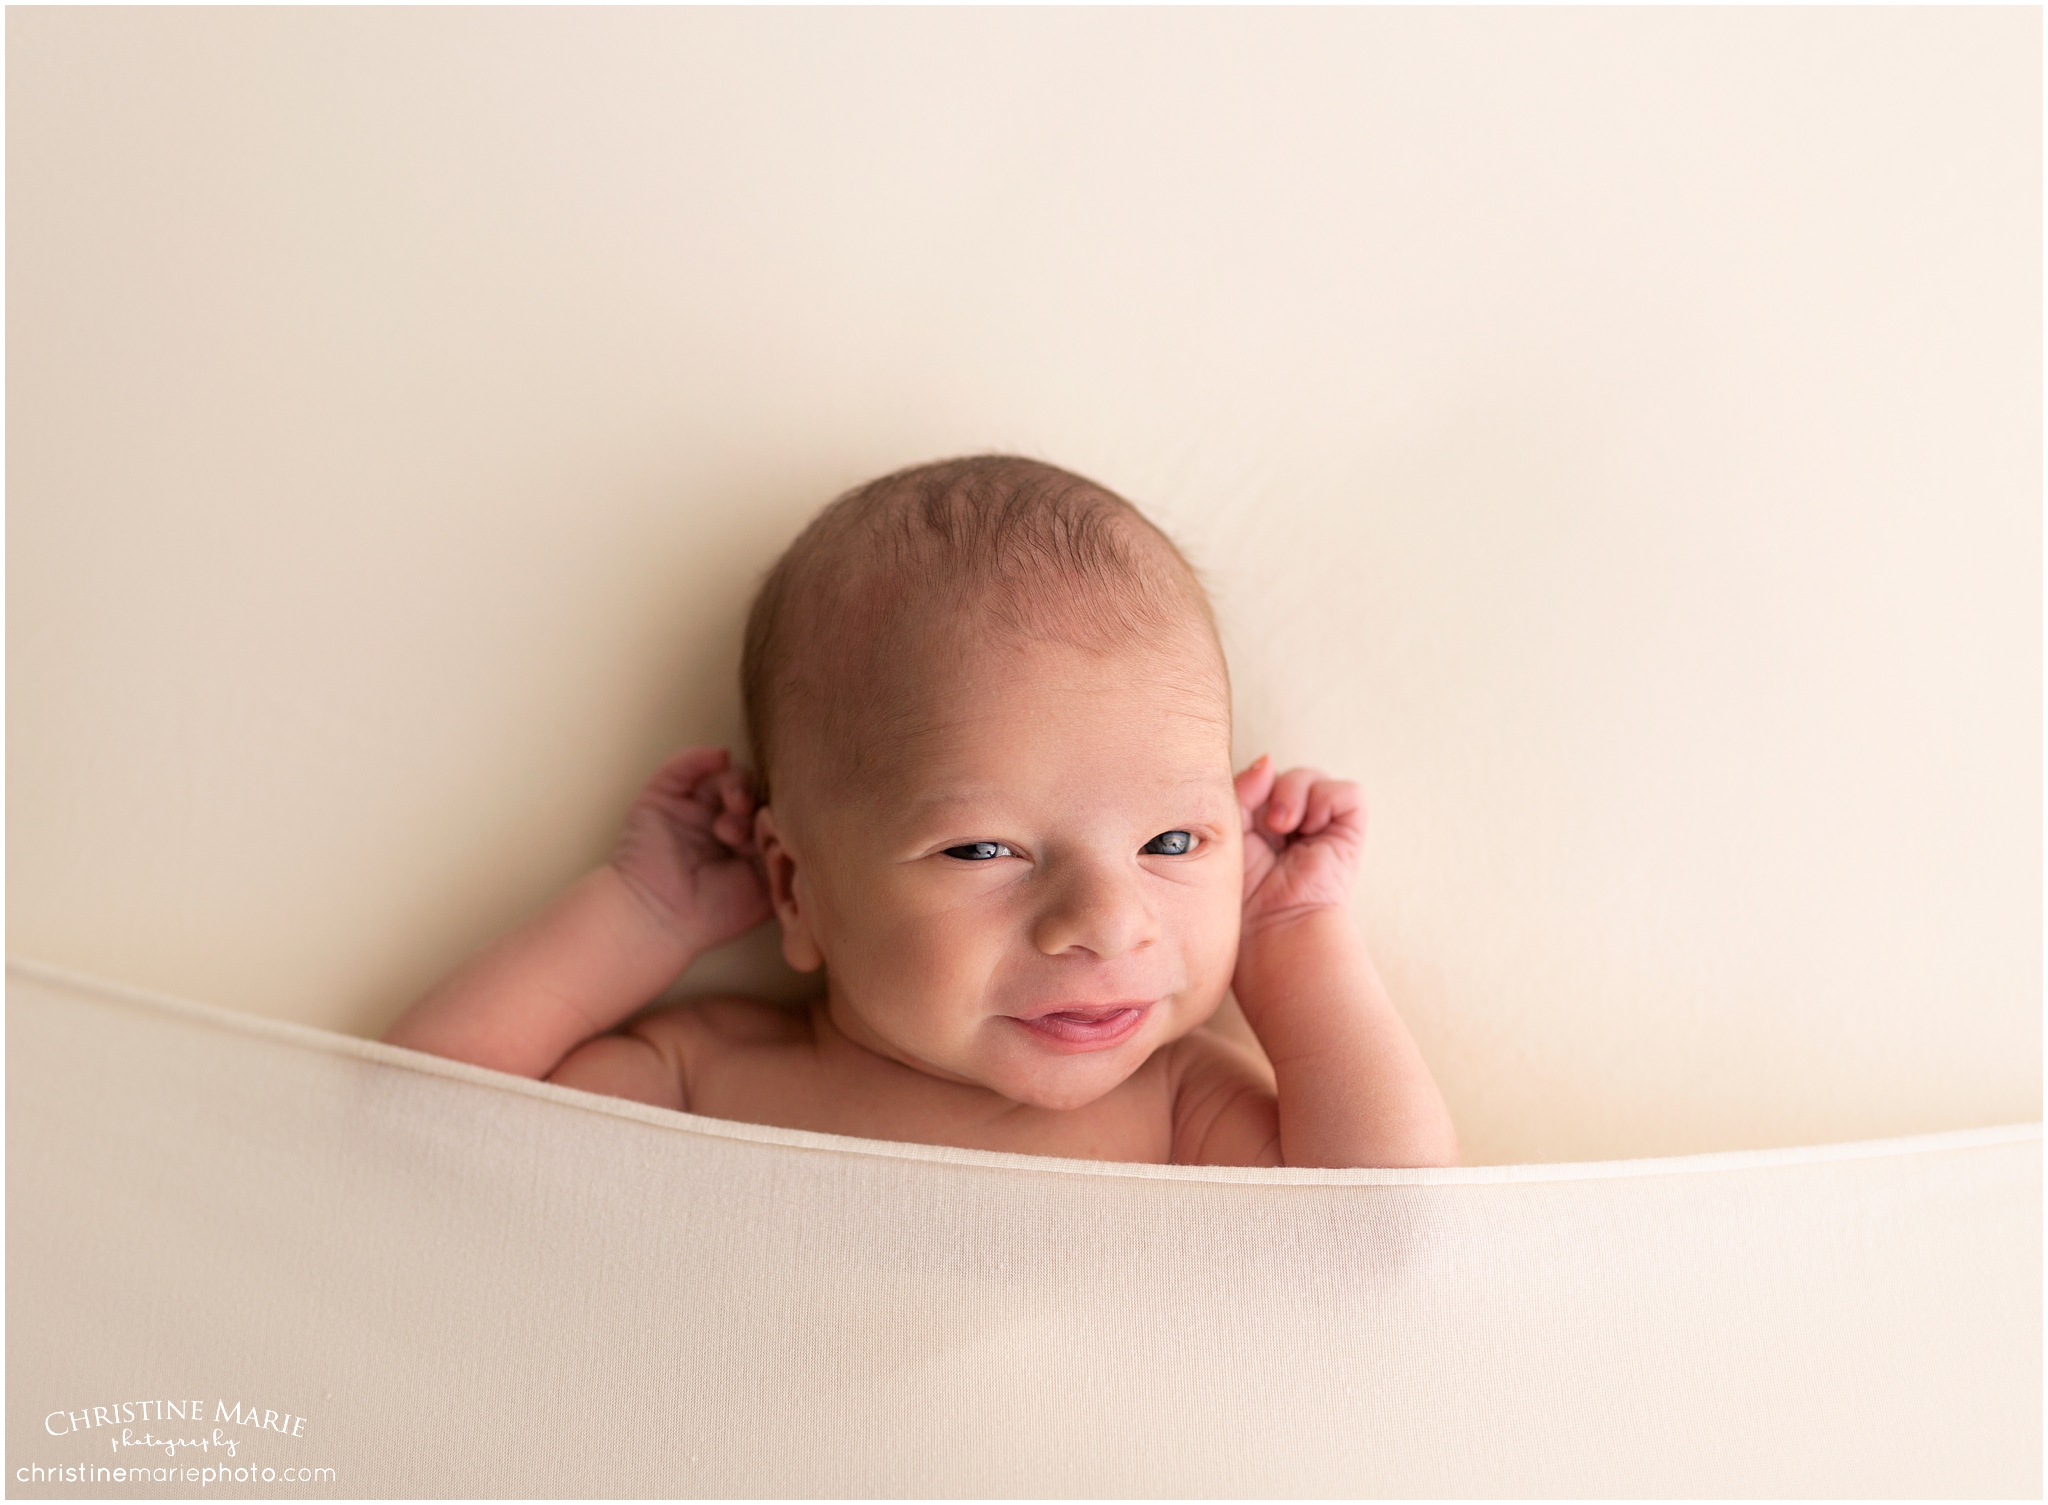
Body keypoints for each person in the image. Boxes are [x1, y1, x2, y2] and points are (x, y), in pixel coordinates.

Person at [383, 455, 1458, 1167]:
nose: (1104, 920)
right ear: (794, 886)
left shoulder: (1180, 1105)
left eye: (1172, 841)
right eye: (982, 847)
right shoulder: (709, 1074)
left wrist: (1291, 938)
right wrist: (641, 914)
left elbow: (1382, 1228)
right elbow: (421, 1124)